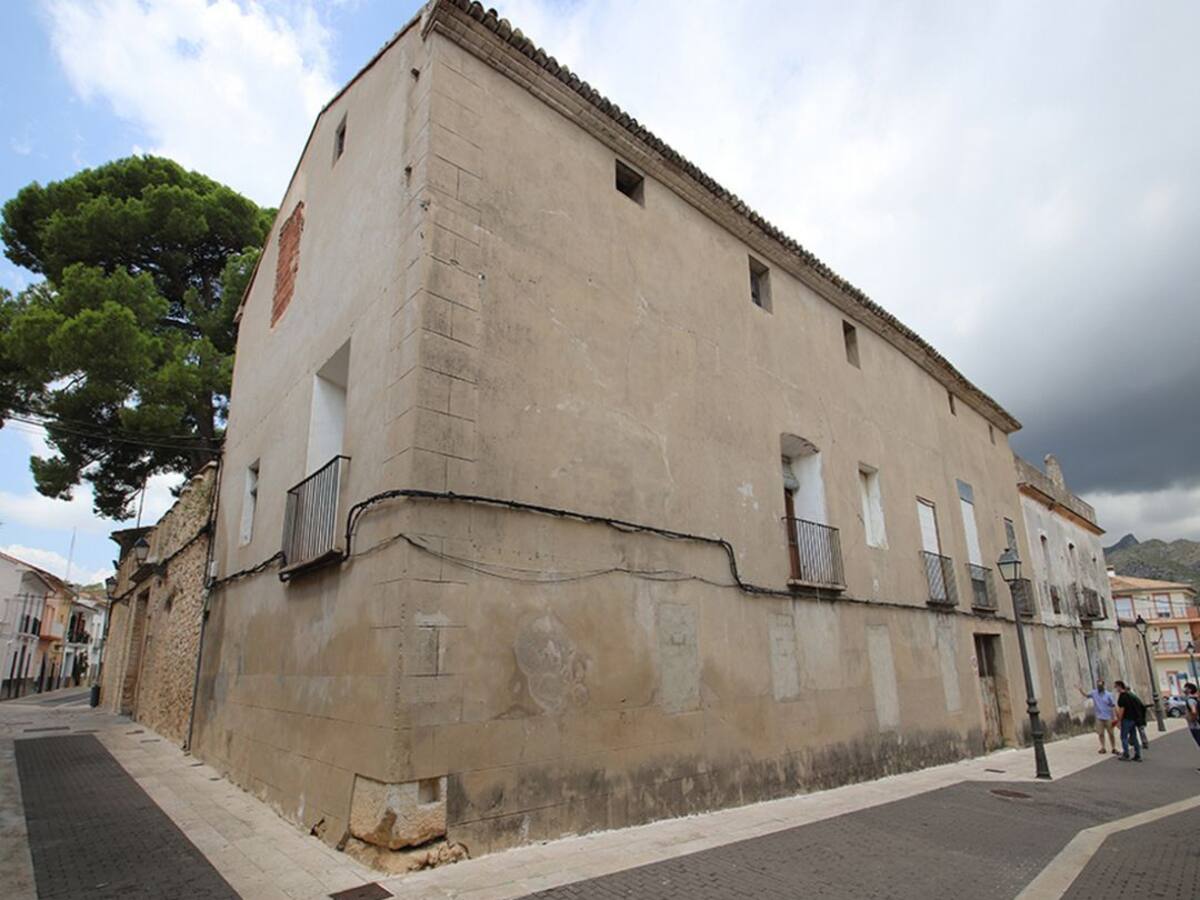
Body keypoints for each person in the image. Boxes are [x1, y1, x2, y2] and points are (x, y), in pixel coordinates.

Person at [1078, 679, 1118, 754]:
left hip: (1108, 717)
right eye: (1098, 685)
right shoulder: (1094, 693)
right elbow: (1086, 695)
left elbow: (1113, 706)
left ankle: (1113, 748)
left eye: (1100, 685)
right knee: (1101, 733)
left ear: (1103, 685)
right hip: (1099, 717)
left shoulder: (1108, 694)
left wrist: (1114, 717)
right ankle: (1103, 747)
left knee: (1111, 733)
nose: (1099, 687)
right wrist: (1080, 690)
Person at [1113, 680, 1144, 762]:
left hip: (1126, 719)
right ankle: (1138, 755)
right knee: (1134, 737)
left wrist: (1119, 721)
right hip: (1133, 719)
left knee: (1124, 737)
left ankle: (1126, 754)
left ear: (1119, 686)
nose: (1115, 689)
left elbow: (1122, 710)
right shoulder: (1130, 695)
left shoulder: (1122, 697)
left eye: (1116, 687)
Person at [1185, 683, 1200, 768]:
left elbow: (1193, 711)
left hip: (1195, 726)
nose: (1184, 690)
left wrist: (1192, 720)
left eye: (1185, 688)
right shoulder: (1196, 699)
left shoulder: (1190, 700)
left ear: (1189, 690)